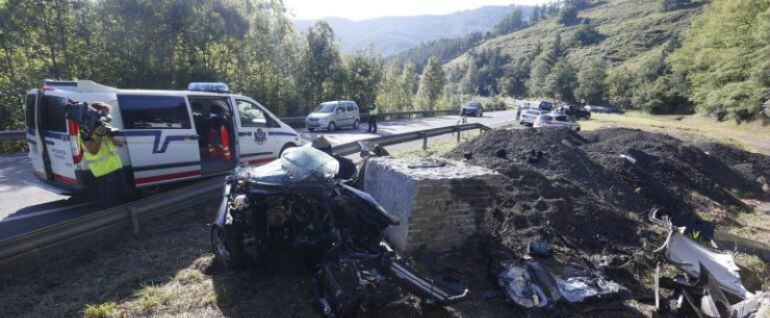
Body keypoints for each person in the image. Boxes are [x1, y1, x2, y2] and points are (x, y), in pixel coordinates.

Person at [79, 102, 132, 209]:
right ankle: (111, 223)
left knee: (125, 197)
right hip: (103, 172)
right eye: (105, 114)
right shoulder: (85, 132)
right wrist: (98, 136)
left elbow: (120, 144)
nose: (106, 117)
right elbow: (93, 151)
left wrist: (110, 136)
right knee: (110, 202)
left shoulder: (104, 127)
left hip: (117, 167)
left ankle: (127, 221)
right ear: (95, 114)